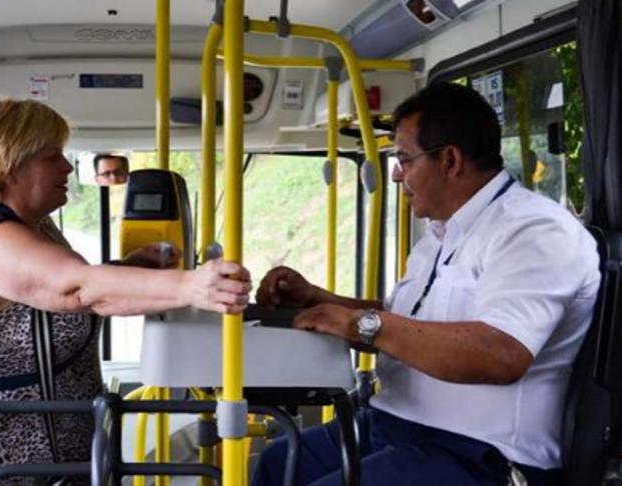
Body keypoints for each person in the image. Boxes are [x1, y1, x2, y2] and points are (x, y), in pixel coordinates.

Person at [252, 83, 600, 486]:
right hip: (394, 422)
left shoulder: (532, 230)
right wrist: (321, 302)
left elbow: (501, 354)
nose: (397, 174)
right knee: (276, 464)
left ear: (450, 160)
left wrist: (360, 323)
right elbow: (406, 325)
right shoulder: (439, 234)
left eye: (403, 159)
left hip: (480, 453)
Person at [0, 99, 251, 485]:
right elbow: (77, 289)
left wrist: (130, 267)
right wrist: (192, 285)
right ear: (8, 166)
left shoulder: (34, 227)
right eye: (52, 156)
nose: (66, 167)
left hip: (53, 464)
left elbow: (57, 291)